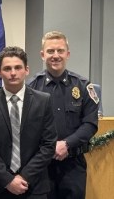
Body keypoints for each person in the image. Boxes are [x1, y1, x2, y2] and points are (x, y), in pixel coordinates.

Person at [27, 31, 98, 199]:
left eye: (60, 50)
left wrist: (66, 144)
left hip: (73, 164)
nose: (55, 55)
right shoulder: (31, 87)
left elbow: (90, 124)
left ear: (68, 53)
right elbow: (26, 126)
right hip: (41, 165)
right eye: (50, 51)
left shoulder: (82, 86)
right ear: (42, 54)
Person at [0, 46, 57, 199]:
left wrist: (25, 177)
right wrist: (8, 180)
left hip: (34, 185)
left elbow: (48, 144)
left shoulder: (43, 101)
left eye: (17, 67)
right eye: (7, 68)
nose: (13, 73)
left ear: (26, 70)